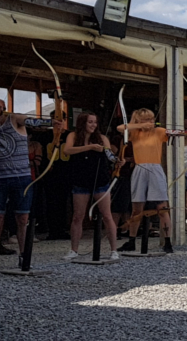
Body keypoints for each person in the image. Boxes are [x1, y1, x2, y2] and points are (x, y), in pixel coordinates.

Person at [117, 108, 187, 254]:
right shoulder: (134, 133)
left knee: (162, 208)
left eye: (151, 119)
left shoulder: (158, 131)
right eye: (146, 119)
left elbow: (177, 133)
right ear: (138, 121)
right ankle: (131, 241)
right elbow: (120, 128)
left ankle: (168, 242)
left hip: (155, 169)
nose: (150, 122)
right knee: (136, 209)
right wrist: (139, 126)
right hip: (140, 169)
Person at [0, 100, 61, 258]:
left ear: (4, 108)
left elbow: (30, 121)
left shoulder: (13, 119)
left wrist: (51, 122)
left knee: (22, 217)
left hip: (21, 178)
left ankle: (24, 256)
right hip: (1, 177)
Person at [63, 111, 120, 260]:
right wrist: (89, 148)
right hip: (81, 180)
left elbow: (110, 156)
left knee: (107, 215)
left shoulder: (102, 138)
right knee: (78, 216)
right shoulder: (73, 136)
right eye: (90, 122)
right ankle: (74, 250)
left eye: (95, 122)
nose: (93, 125)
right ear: (83, 123)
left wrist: (118, 161)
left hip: (100, 180)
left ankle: (114, 250)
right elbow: (67, 150)